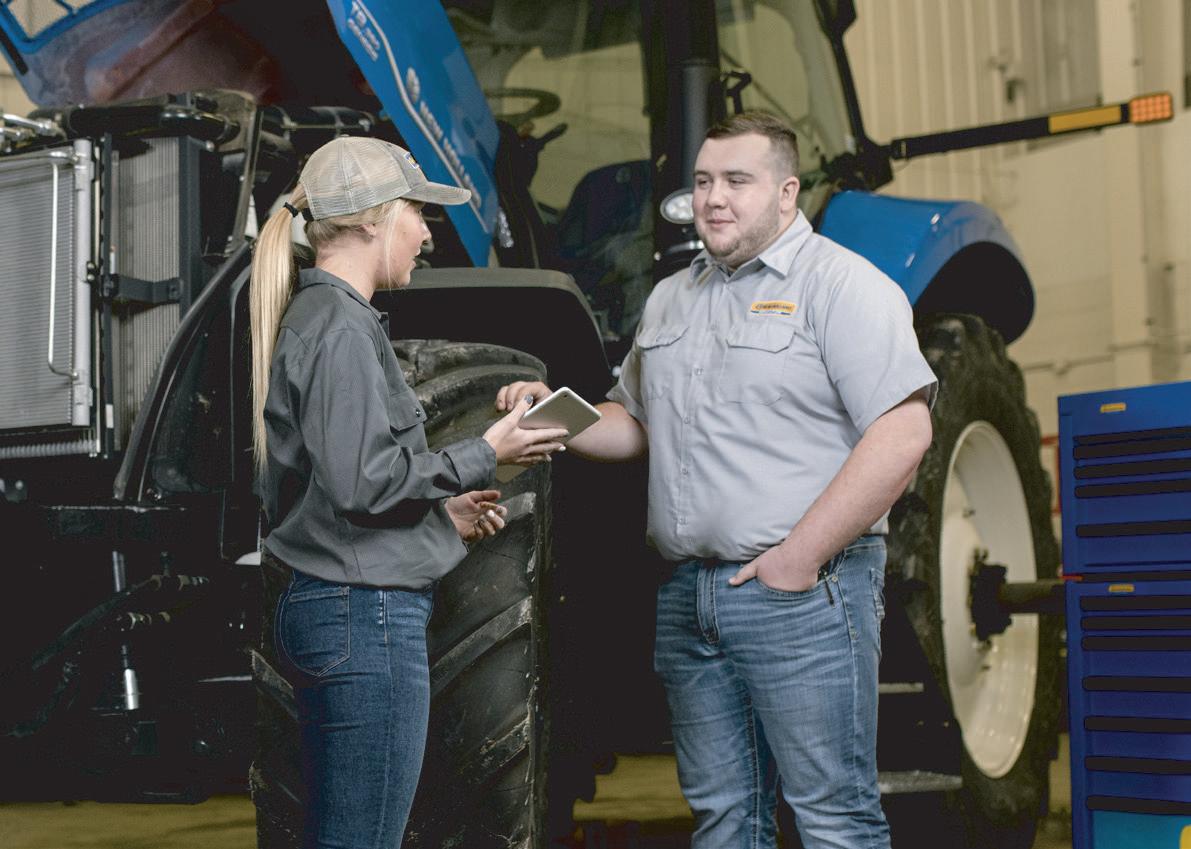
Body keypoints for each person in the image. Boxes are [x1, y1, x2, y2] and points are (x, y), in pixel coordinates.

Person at [496, 111, 937, 849]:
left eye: (737, 180)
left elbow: (904, 434)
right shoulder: (673, 297)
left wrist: (796, 560)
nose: (713, 198)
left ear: (787, 193)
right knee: (724, 816)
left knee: (833, 816)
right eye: (702, 182)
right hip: (689, 596)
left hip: (802, 592)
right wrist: (556, 414)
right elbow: (634, 423)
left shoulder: (843, 287)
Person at [250, 135, 567, 849]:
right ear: (374, 219)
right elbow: (365, 483)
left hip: (334, 607)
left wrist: (439, 516)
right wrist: (487, 452)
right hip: (364, 617)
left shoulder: (320, 320)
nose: (426, 235)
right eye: (418, 213)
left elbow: (335, 486)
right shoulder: (341, 330)